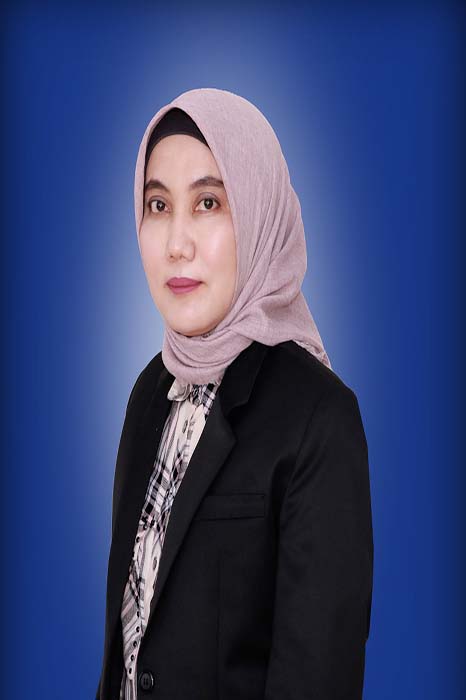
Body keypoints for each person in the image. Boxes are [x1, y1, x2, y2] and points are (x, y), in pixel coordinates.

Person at [95, 88, 374, 700]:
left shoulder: (318, 417)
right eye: (158, 205)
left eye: (208, 203)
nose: (177, 243)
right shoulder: (148, 394)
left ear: (258, 213)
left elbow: (317, 680)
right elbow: (128, 647)